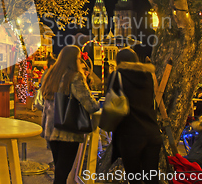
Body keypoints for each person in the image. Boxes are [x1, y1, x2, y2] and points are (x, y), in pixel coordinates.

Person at [40, 45, 99, 184]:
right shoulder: (74, 76)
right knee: (62, 173)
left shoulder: (51, 74)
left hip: (52, 128)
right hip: (68, 130)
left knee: (59, 170)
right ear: (74, 60)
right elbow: (88, 103)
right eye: (79, 59)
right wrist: (98, 104)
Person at [109, 47, 162, 184]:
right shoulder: (147, 76)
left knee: (134, 177)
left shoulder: (117, 76)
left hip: (130, 134)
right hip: (151, 132)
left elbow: (111, 103)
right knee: (152, 177)